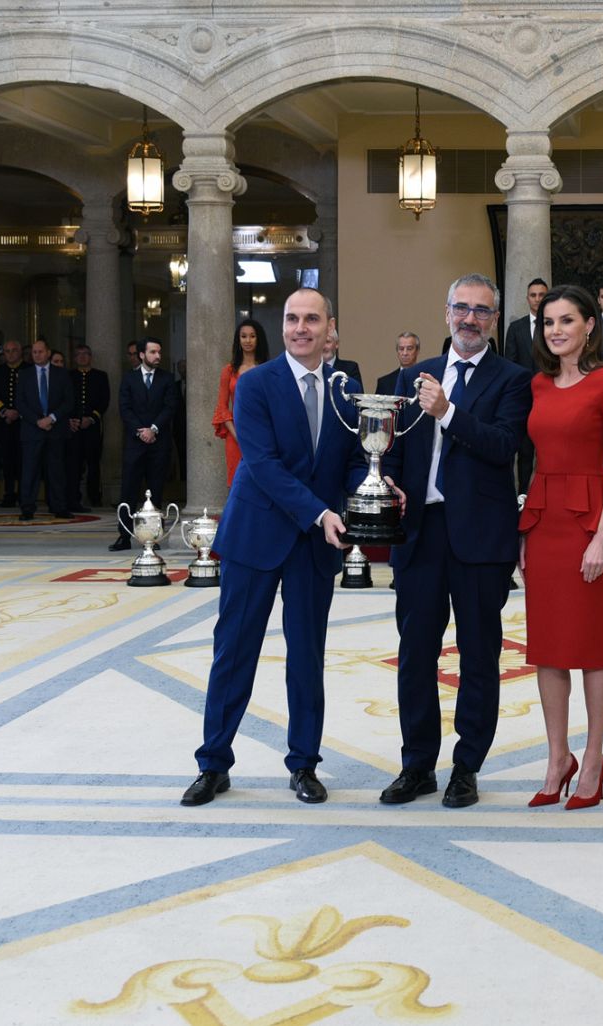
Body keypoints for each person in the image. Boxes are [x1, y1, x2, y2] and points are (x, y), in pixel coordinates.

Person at [183, 288, 367, 807]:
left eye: (312, 319)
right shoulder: (256, 383)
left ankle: (304, 765)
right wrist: (321, 511)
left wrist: (372, 483)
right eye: (291, 319)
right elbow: (261, 465)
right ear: (282, 326)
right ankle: (213, 763)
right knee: (234, 651)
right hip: (257, 536)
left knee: (306, 656)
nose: (300, 328)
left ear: (330, 328)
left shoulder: (345, 388)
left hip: (314, 543)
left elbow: (353, 456)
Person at [379, 275, 532, 809]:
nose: (470, 319)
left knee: (479, 655)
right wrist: (390, 480)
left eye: (481, 311)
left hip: (481, 539)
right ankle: (416, 765)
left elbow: (504, 445)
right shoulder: (413, 376)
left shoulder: (513, 379)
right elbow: (391, 447)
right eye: (462, 309)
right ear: (446, 313)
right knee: (415, 653)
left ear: (493, 320)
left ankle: (466, 767)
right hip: (419, 534)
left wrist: (447, 412)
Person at [519, 284, 603, 810]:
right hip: (543, 523)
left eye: (566, 320)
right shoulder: (538, 386)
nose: (556, 330)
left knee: (589, 646)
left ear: (590, 325)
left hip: (588, 522)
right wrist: (525, 533)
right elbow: (534, 458)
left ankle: (592, 758)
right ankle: (556, 756)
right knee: (546, 647)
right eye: (548, 322)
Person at [110, 338, 181, 551]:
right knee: (128, 491)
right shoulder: (129, 379)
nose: (157, 356)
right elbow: (125, 409)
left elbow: (170, 407)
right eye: (152, 352)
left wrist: (153, 429)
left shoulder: (167, 379)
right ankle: (123, 536)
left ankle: (153, 536)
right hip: (135, 443)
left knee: (156, 491)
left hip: (159, 444)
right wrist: (141, 431)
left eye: (159, 352)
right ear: (141, 355)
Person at [502, 278, 549, 493]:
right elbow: (510, 364)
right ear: (527, 298)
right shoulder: (516, 328)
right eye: (533, 295)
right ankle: (522, 499)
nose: (537, 299)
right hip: (524, 398)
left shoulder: (554, 326)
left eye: (541, 295)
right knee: (525, 452)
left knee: (550, 451)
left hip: (551, 397)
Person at [212, 319, 271, 487]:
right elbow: (222, 407)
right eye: (243, 336)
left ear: (258, 339)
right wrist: (238, 436)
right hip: (235, 436)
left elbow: (272, 405)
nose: (247, 340)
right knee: (237, 482)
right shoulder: (228, 370)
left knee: (262, 482)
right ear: (238, 340)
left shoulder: (267, 369)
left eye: (252, 336)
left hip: (262, 435)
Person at [16, 338, 69, 521]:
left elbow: (69, 401)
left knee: (56, 470)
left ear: (48, 352)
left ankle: (59, 506)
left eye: (40, 351)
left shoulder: (62, 374)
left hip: (55, 430)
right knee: (30, 471)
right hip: (32, 430)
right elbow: (20, 403)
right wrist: (37, 421)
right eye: (34, 352)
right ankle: (27, 508)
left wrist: (51, 418)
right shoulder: (24, 375)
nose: (37, 355)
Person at [65, 343, 109, 510]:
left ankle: (94, 497)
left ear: (90, 357)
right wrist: (71, 419)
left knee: (93, 463)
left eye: (86, 354)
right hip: (73, 427)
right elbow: (65, 399)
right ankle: (73, 497)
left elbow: (104, 400)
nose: (83, 357)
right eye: (79, 354)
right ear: (75, 358)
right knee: (74, 463)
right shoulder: (69, 376)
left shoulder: (100, 376)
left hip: (92, 427)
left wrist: (92, 418)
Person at [0, 339, 24, 507]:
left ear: (20, 352)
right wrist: (4, 412)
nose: (10, 354)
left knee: (23, 461)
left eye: (13, 350)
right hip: (4, 422)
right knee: (6, 460)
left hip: (24, 423)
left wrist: (18, 412)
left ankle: (25, 495)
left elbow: (31, 396)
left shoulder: (28, 370)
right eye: (7, 351)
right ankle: (9, 494)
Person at [376, 331, 421, 396]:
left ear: (417, 351)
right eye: (401, 349)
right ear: (397, 351)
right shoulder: (384, 382)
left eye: (409, 349)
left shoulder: (426, 380)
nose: (405, 353)